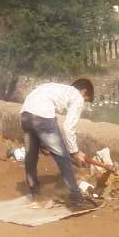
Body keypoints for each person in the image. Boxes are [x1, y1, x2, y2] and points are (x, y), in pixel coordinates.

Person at [19, 78, 95, 211]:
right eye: (86, 99)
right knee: (63, 158)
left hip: (25, 114)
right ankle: (77, 200)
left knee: (31, 155)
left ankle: (36, 194)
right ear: (83, 92)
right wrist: (74, 151)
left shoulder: (57, 88)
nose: (84, 102)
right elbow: (68, 127)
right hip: (42, 116)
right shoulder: (77, 96)